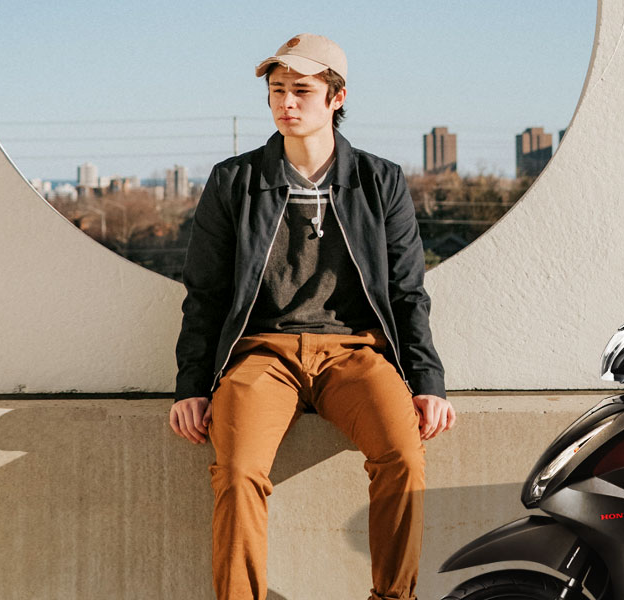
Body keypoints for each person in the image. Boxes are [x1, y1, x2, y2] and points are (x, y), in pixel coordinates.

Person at [169, 32, 455, 600]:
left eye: (302, 90)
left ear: (337, 97)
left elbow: (406, 292)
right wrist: (191, 385)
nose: (286, 103)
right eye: (277, 90)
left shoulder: (380, 180)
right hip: (262, 354)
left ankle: (394, 598)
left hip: (356, 352)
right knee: (238, 471)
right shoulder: (235, 181)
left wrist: (428, 381)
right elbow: (204, 292)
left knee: (402, 455)